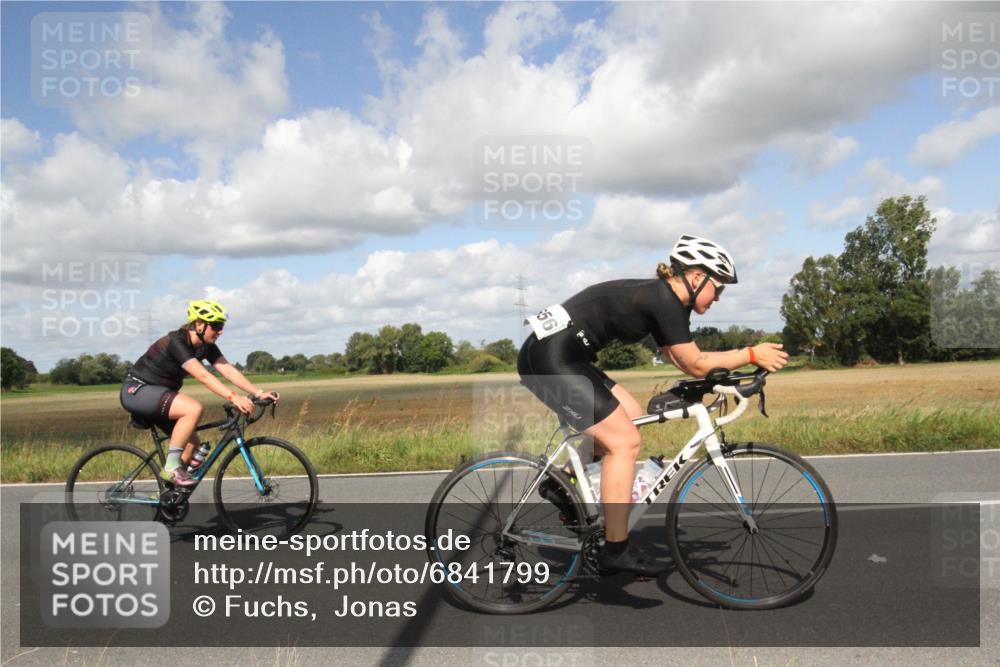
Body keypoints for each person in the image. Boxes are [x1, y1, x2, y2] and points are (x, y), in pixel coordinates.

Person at [517, 234, 788, 577]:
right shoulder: (664, 300)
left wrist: (715, 379)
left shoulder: (667, 301)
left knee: (631, 416)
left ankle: (563, 484)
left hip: (565, 357)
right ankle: (615, 549)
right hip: (550, 361)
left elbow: (678, 357)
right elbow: (694, 361)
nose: (718, 298)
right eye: (717, 289)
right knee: (624, 442)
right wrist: (750, 354)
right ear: (695, 277)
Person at [120, 300, 279, 487]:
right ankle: (171, 468)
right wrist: (233, 397)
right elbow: (202, 375)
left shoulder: (206, 346)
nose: (220, 331)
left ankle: (168, 496)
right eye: (216, 326)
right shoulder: (176, 342)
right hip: (137, 391)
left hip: (161, 395)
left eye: (222, 326)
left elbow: (227, 369)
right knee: (193, 409)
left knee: (191, 445)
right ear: (199, 324)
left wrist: (258, 393)